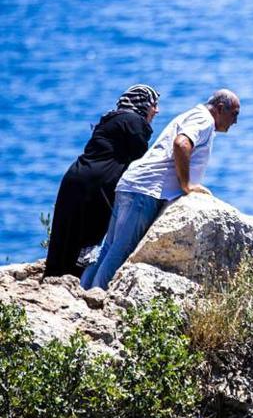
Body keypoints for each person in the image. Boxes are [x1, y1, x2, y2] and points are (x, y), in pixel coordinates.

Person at [80, 89, 241, 290]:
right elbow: (181, 143)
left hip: (133, 185)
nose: (235, 121)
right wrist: (186, 185)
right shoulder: (204, 120)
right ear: (219, 108)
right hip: (145, 191)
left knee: (108, 249)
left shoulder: (195, 115)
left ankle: (83, 293)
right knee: (120, 251)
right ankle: (96, 299)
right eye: (234, 114)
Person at [43, 84, 160, 278]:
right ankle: (79, 281)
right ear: (142, 103)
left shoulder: (113, 118)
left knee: (66, 233)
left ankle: (55, 277)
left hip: (76, 177)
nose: (156, 110)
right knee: (92, 235)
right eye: (153, 104)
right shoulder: (134, 122)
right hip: (97, 185)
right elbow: (141, 164)